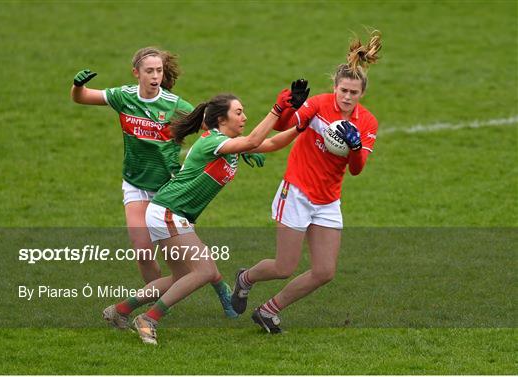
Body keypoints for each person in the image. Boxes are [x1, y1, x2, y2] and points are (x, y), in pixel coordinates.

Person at [102, 80, 310, 344]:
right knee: (202, 271)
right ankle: (149, 319)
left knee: (183, 276)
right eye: (238, 112)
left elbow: (268, 144)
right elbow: (255, 140)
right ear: (221, 119)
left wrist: (300, 126)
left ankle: (119, 310)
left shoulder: (227, 143)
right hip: (169, 212)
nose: (244, 116)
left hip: (170, 213)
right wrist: (277, 109)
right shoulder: (212, 142)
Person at [230, 30, 382, 333]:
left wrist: (353, 148)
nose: (347, 97)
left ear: (362, 94)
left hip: (327, 200)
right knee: (283, 267)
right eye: (343, 91)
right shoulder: (319, 104)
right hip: (297, 191)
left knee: (325, 271)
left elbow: (356, 169)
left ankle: (269, 311)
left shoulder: (367, 122)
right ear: (335, 87)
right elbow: (288, 126)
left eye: (354, 93)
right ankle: (245, 278)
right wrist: (290, 106)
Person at [70, 46, 237, 317]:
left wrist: (239, 148)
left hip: (167, 190)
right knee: (143, 253)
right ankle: (155, 298)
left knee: (186, 257)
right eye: (149, 71)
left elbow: (213, 128)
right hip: (135, 185)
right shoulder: (123, 97)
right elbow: (82, 98)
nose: (155, 75)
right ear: (136, 73)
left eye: (159, 70)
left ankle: (220, 286)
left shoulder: (174, 105)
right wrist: (77, 86)